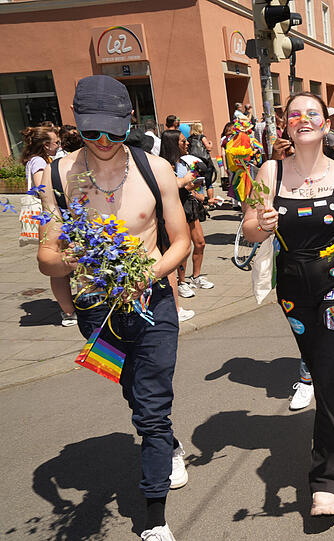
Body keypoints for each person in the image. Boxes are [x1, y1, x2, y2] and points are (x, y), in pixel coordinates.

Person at [36, 75, 191, 541]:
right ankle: (167, 444)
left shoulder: (155, 169)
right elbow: (45, 257)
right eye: (91, 132)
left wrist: (145, 274)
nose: (103, 142)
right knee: (132, 392)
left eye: (113, 131)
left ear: (129, 124)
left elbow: (180, 241)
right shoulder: (57, 176)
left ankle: (155, 518)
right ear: (77, 125)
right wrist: (82, 256)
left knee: (150, 409)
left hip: (152, 303)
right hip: (95, 311)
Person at [242, 92, 334, 516]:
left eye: (312, 113)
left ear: (327, 121)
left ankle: (329, 480)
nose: (303, 119)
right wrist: (260, 223)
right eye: (295, 114)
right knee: (318, 366)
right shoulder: (270, 171)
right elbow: (248, 229)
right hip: (292, 288)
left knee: (327, 377)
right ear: (286, 123)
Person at [22, 125, 77, 327]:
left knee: (63, 265)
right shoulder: (39, 162)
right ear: (46, 145)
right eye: (56, 143)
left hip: (56, 217)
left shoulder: (39, 160)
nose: (59, 146)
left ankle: (70, 309)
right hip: (54, 218)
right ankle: (69, 312)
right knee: (59, 267)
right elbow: (42, 188)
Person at [160, 130, 213, 304]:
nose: (187, 144)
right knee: (183, 248)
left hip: (190, 205)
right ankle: (181, 282)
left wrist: (202, 195)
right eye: (183, 142)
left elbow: (187, 187)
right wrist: (185, 182)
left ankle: (196, 277)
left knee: (200, 243)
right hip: (176, 208)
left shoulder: (182, 161)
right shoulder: (164, 165)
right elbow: (168, 189)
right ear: (173, 144)